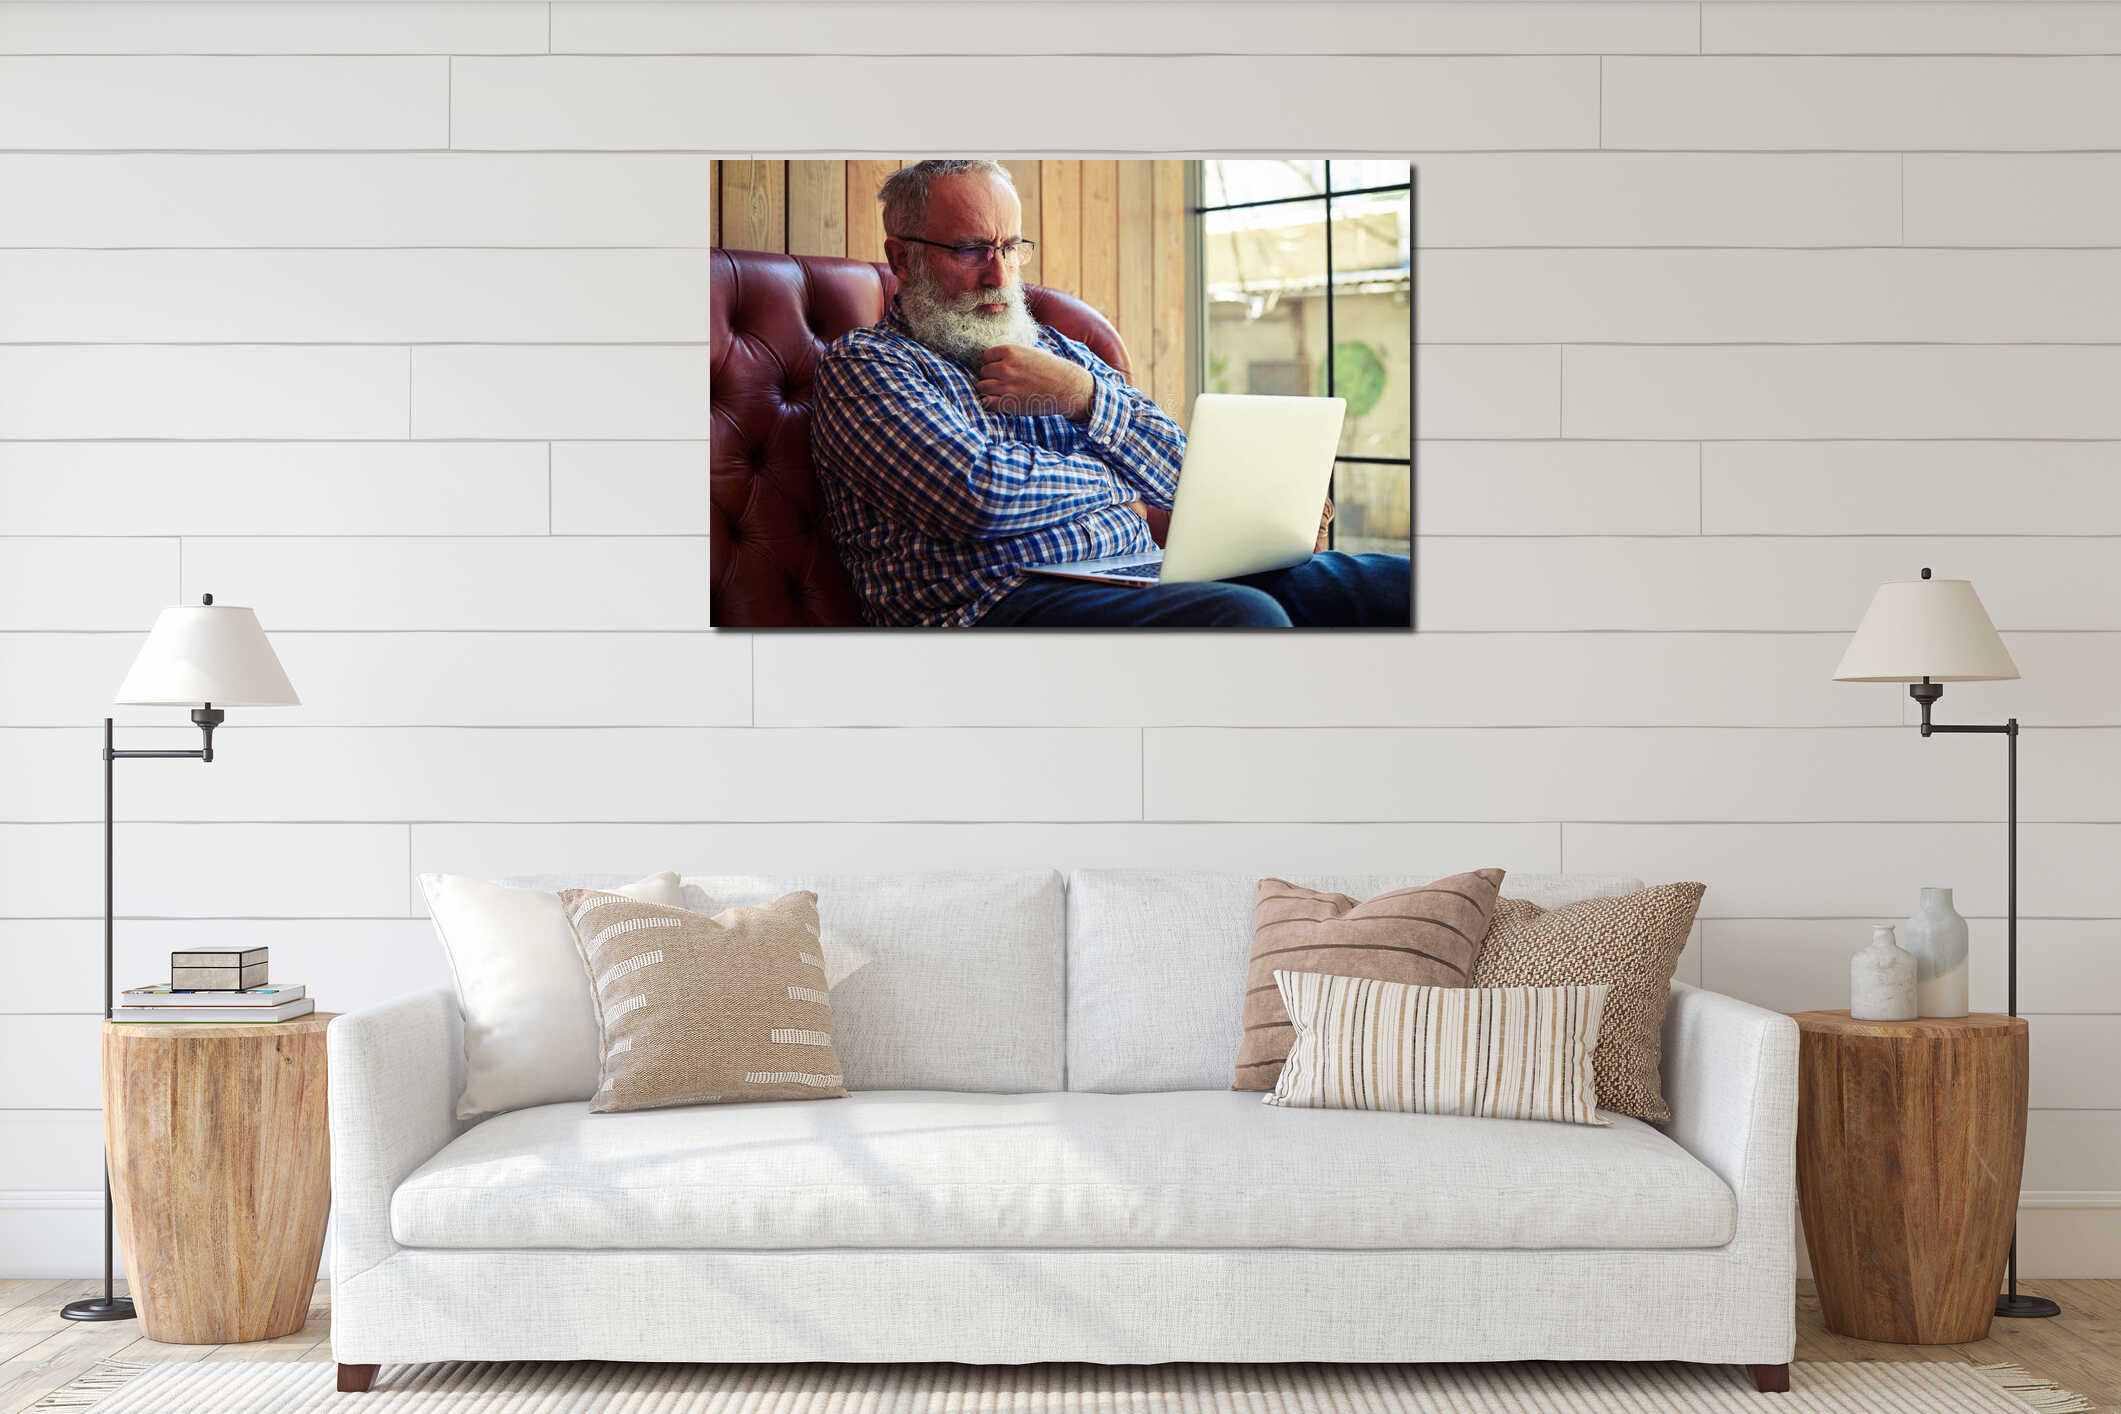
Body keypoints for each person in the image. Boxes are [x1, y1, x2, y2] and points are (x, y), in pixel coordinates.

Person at [809, 158, 1410, 629]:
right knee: (1244, 619)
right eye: (970, 250)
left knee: (1396, 585)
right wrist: (1134, 507)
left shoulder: (1061, 353)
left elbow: (1187, 481)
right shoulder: (866, 366)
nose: (998, 273)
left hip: (1140, 575)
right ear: (902, 259)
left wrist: (1086, 396)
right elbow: (980, 494)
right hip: (993, 607)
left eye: (1010, 247)